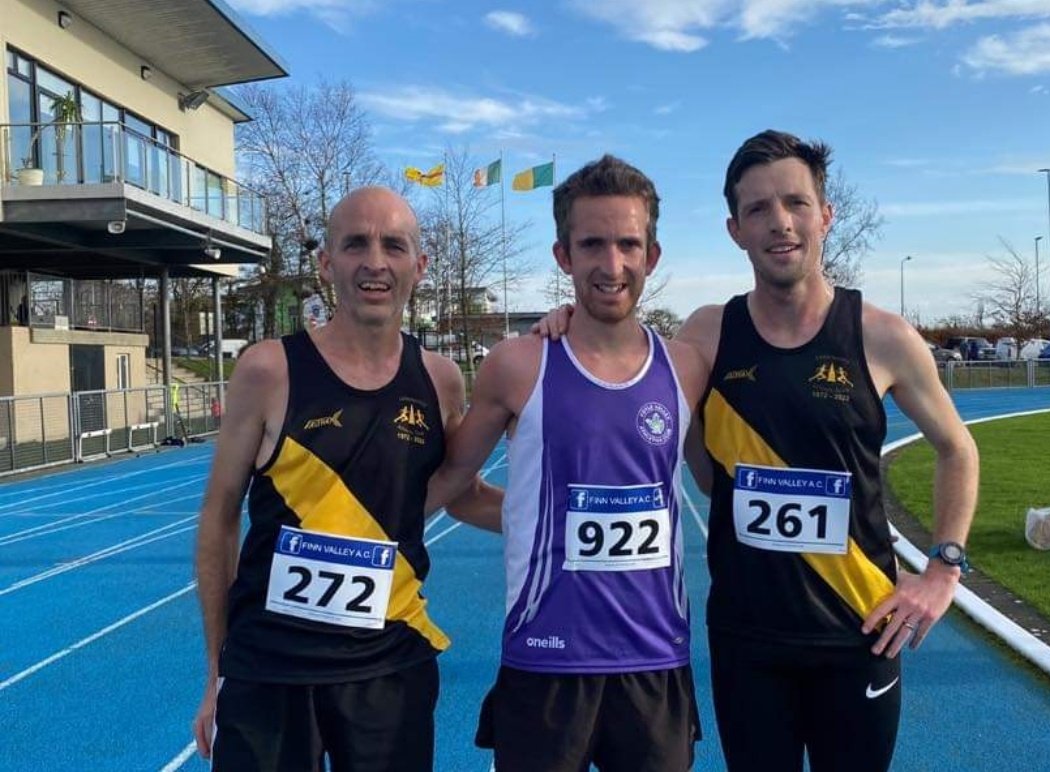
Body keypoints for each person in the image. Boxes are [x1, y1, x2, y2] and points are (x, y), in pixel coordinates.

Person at [539, 131, 979, 771]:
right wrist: (567, 315)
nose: (781, 223)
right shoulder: (708, 334)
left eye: (796, 203)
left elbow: (957, 449)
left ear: (825, 215)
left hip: (858, 633)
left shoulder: (882, 337)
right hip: (748, 640)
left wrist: (943, 570)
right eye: (758, 210)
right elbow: (625, 359)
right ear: (734, 229)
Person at [192, 186, 496, 771]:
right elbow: (218, 517)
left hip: (390, 668)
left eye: (394, 245)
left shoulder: (439, 380)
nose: (375, 262)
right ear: (327, 263)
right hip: (270, 669)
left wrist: (558, 520)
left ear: (419, 266)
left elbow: (465, 494)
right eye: (355, 244)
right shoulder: (268, 370)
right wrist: (215, 671)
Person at [428, 155, 709, 771]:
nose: (612, 265)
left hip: (655, 659)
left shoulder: (688, 367)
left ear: (652, 255)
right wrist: (352, 526)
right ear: (563, 255)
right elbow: (452, 486)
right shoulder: (517, 364)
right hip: (545, 658)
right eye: (592, 245)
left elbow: (722, 481)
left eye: (628, 244)